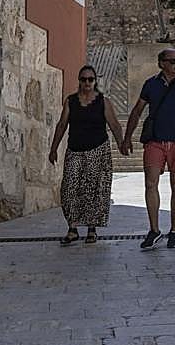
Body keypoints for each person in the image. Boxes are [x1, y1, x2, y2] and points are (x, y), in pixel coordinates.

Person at [122, 47, 175, 249]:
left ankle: (174, 232)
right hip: (155, 141)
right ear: (161, 63)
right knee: (151, 184)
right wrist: (127, 138)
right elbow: (137, 111)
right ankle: (154, 229)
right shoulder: (151, 84)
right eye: (173, 61)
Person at [48, 65, 125, 245]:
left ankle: (92, 229)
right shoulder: (71, 101)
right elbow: (61, 125)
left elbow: (114, 124)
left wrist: (122, 143)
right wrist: (53, 148)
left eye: (90, 79)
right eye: (83, 79)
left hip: (97, 149)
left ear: (95, 81)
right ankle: (72, 228)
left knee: (93, 189)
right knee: (69, 188)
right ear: (79, 81)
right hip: (75, 149)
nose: (87, 83)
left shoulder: (103, 102)